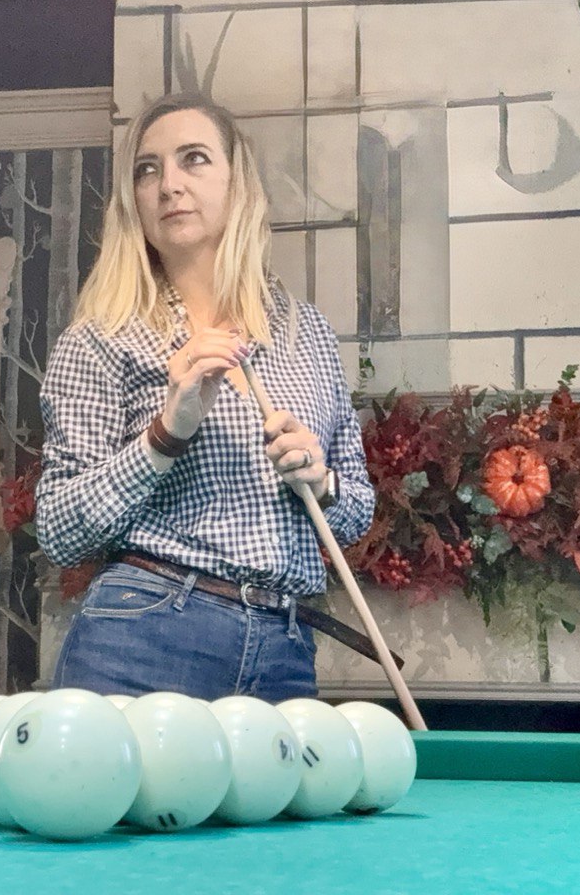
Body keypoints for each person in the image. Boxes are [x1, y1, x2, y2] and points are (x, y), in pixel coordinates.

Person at [36, 91, 375, 703]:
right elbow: (61, 532)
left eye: (193, 159)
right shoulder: (101, 339)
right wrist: (165, 435)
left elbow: (355, 515)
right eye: (147, 170)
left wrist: (320, 480)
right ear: (133, 201)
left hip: (284, 647)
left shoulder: (306, 333)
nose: (169, 184)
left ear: (238, 182)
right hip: (144, 635)